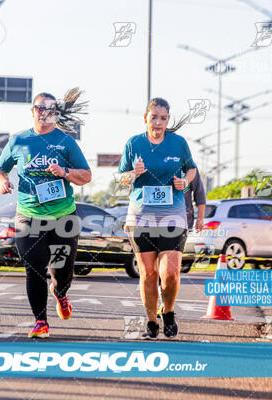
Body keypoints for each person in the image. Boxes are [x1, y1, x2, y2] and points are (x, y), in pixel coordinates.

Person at [0, 88, 92, 338]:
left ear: (55, 114)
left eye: (50, 109)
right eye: (40, 108)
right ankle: (40, 322)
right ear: (32, 111)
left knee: (62, 268)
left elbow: (86, 176)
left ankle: (60, 293)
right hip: (29, 214)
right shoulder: (18, 141)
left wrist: (65, 173)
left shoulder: (66, 141)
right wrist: (2, 182)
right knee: (33, 267)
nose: (45, 113)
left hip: (63, 215)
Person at [118, 97, 197, 340]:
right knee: (148, 274)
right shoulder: (134, 143)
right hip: (141, 217)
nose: (159, 122)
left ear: (168, 120)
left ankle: (169, 312)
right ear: (146, 119)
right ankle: (152, 322)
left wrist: (185, 182)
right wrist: (133, 173)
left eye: (163, 118)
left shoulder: (178, 143)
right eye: (154, 117)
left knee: (170, 273)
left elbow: (192, 169)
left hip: (172, 216)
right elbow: (121, 179)